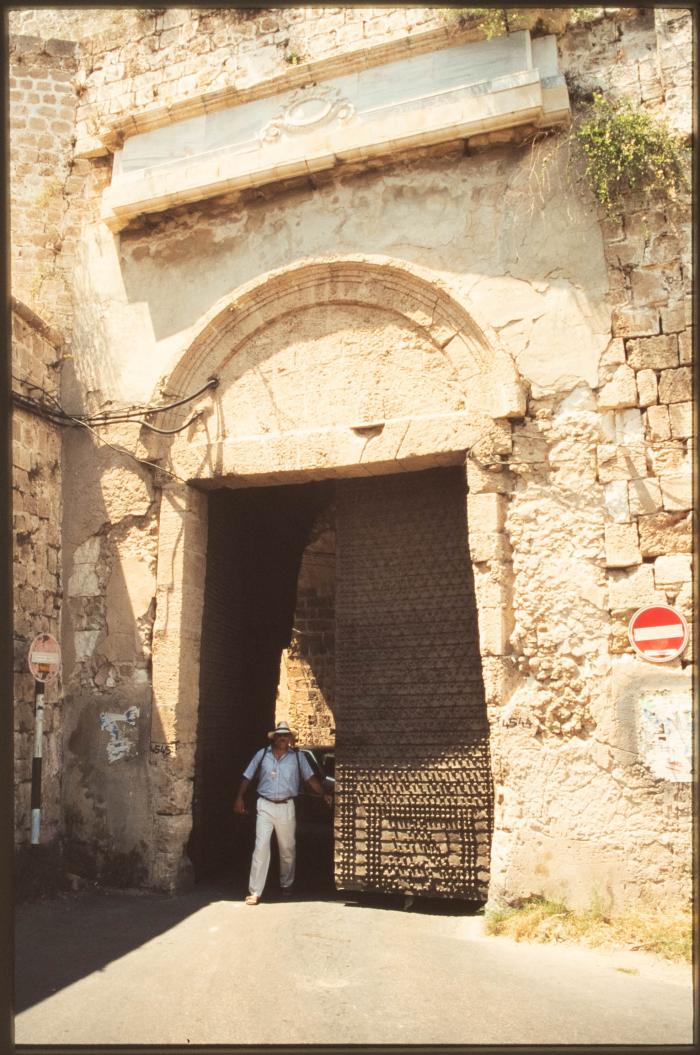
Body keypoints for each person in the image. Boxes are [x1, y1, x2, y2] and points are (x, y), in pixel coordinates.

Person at [233, 720, 333, 905]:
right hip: (265, 804)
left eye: (285, 736)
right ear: (274, 738)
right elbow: (247, 775)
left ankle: (287, 883)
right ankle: (255, 891)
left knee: (287, 848)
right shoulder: (262, 755)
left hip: (286, 806)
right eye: (279, 735)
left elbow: (310, 778)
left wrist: (323, 794)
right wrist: (239, 797)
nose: (282, 738)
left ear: (290, 739)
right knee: (261, 847)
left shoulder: (297, 758)